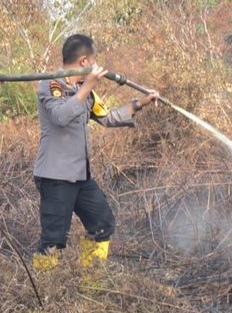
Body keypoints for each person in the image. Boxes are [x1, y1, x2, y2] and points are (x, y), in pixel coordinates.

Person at [33, 33, 159, 272]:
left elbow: (107, 117)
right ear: (83, 61)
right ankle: (44, 295)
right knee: (53, 240)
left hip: (81, 176)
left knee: (102, 224)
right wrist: (88, 85)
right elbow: (60, 117)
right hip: (55, 176)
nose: (96, 65)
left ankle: (90, 280)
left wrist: (139, 103)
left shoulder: (85, 91)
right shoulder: (50, 85)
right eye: (94, 60)